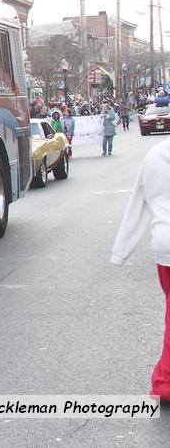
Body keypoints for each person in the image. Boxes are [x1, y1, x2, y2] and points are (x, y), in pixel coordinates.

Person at [111, 137, 170, 402]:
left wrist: (121, 250)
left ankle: (165, 381)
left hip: (164, 245)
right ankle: (164, 383)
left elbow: (138, 202)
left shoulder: (155, 155)